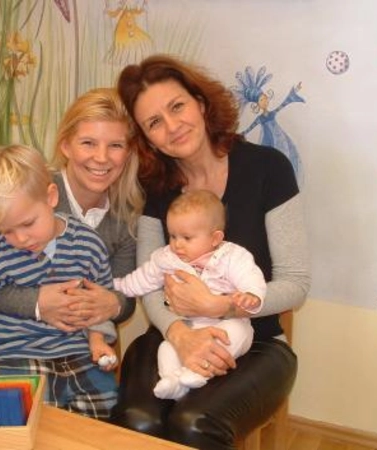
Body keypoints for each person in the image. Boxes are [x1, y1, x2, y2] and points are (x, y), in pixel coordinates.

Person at [110, 54, 311, 449]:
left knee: (193, 424)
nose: (171, 126)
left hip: (258, 342)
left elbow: (296, 284)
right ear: (146, 136)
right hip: (172, 332)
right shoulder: (157, 187)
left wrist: (222, 307)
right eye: (154, 122)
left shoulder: (267, 168)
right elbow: (151, 283)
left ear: (200, 103)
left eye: (177, 106)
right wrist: (180, 334)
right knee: (139, 421)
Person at [0, 88, 144, 372]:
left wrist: (113, 304)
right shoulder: (30, 191)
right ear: (66, 145)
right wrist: (37, 303)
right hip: (8, 339)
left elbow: (123, 297)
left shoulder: (125, 215)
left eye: (115, 145)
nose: (101, 157)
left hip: (77, 343)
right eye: (88, 143)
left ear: (128, 152)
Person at [0, 145, 119, 418]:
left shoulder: (88, 245)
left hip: (77, 353)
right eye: (6, 231)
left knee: (105, 405)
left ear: (51, 197)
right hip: (15, 354)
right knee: (32, 414)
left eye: (28, 223)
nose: (20, 239)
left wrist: (98, 338)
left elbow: (100, 299)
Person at [113, 189, 266, 400]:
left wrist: (251, 294)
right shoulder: (166, 258)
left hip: (225, 323)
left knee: (237, 331)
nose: (177, 244)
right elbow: (142, 279)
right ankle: (172, 380)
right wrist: (116, 286)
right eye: (173, 236)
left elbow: (251, 276)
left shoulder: (232, 256)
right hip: (189, 327)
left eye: (186, 237)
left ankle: (195, 372)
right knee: (167, 347)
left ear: (215, 238)